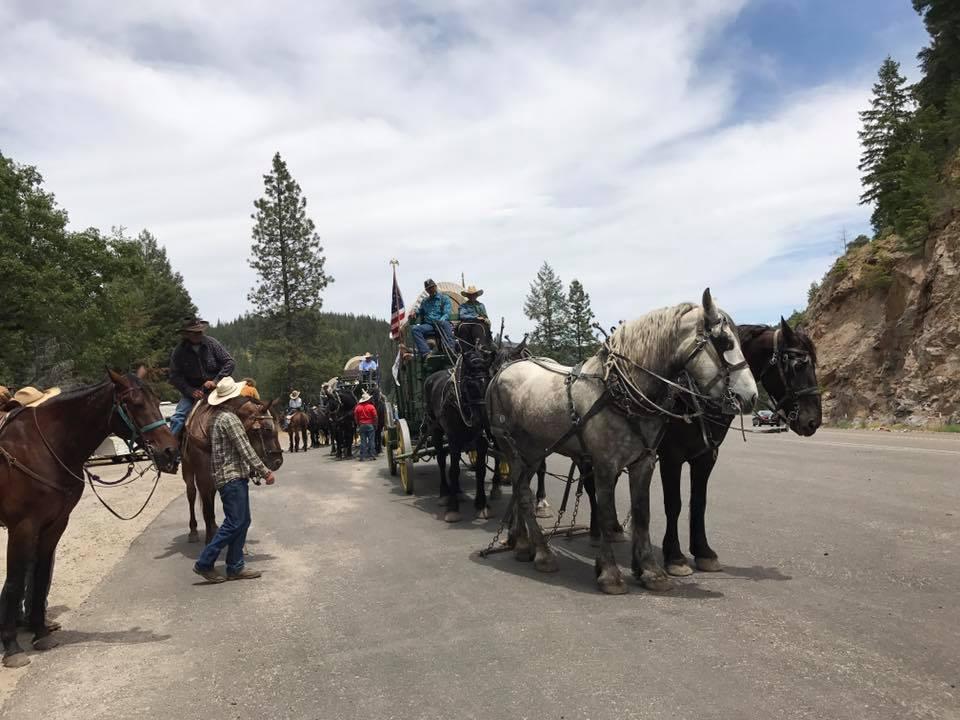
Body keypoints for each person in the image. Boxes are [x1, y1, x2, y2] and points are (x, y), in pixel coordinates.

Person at [193, 377, 276, 583]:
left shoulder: (217, 418)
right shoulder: (230, 419)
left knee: (242, 521)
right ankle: (205, 563)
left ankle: (235, 566)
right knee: (234, 522)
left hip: (228, 476)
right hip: (232, 478)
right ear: (230, 399)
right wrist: (265, 471)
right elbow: (245, 448)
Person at [168, 317, 235, 436]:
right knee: (178, 417)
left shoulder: (211, 343)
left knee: (242, 408)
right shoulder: (179, 352)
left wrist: (216, 380)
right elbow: (174, 376)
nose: (199, 334)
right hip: (194, 391)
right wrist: (190, 391)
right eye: (195, 332)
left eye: (200, 332)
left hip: (219, 389)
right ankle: (171, 448)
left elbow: (229, 362)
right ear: (187, 334)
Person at [411, 278, 454, 357]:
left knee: (446, 325)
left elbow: (447, 313)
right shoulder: (425, 301)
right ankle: (426, 352)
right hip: (429, 325)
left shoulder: (444, 298)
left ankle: (450, 348)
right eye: (428, 289)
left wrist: (440, 321)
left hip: (441, 322)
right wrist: (415, 312)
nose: (430, 290)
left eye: (432, 287)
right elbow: (420, 311)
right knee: (415, 329)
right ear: (426, 290)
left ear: (435, 287)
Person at [353, 391, 378, 461]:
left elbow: (356, 418)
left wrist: (358, 424)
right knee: (371, 441)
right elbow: (375, 416)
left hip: (362, 425)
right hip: (370, 425)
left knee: (363, 441)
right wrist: (375, 424)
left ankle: (362, 457)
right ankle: (372, 455)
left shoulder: (358, 408)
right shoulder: (371, 407)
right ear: (368, 400)